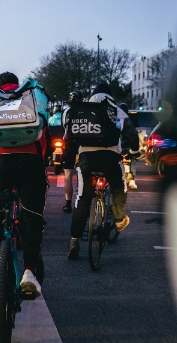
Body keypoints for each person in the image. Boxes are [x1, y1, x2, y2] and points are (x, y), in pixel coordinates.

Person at [0, 71, 48, 296]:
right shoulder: (32, 100)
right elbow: (42, 139)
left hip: (0, 162)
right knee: (31, 216)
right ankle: (29, 272)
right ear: (17, 85)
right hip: (30, 162)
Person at [65, 84, 140, 259]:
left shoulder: (80, 110)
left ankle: (74, 241)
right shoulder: (115, 110)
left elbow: (69, 135)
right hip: (110, 158)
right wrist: (135, 151)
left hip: (86, 159)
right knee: (119, 187)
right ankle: (120, 220)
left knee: (82, 198)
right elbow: (131, 133)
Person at [60, 91, 83, 212]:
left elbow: (63, 126)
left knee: (68, 174)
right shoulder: (86, 110)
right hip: (84, 142)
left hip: (70, 142)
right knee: (84, 173)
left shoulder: (66, 111)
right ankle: (82, 201)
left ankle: (68, 203)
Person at [118, 102, 139, 190]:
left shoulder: (114, 118)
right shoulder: (129, 120)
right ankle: (132, 178)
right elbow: (134, 135)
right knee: (134, 157)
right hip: (127, 147)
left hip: (117, 147)